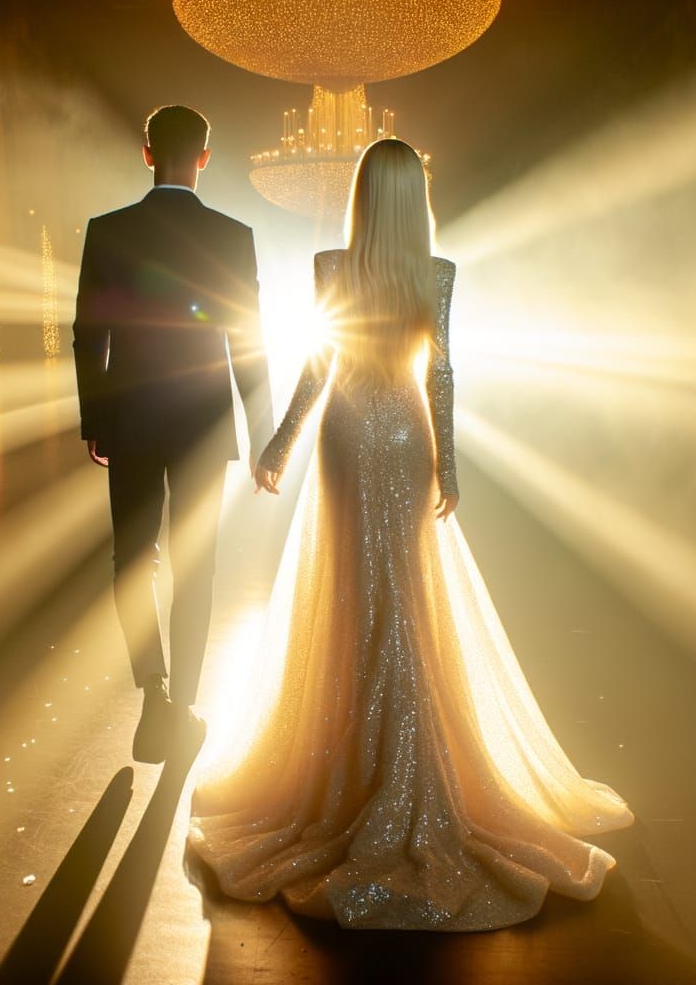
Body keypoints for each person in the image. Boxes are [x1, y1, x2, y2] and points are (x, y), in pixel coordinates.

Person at [187, 138, 633, 930]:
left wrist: (283, 443)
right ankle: (404, 766)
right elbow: (441, 374)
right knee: (408, 602)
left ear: (362, 198)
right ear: (414, 198)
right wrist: (450, 468)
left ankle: (349, 768)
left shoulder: (332, 266)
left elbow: (319, 368)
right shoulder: (437, 274)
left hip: (346, 438)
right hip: (405, 438)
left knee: (353, 597)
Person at [73, 105, 273, 765]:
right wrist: (264, 431)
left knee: (132, 559)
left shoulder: (109, 231)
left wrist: (96, 420)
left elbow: (88, 335)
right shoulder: (232, 235)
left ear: (147, 153)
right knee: (197, 562)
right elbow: (247, 343)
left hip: (129, 418)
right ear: (205, 158)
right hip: (203, 422)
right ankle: (183, 704)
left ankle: (153, 690)